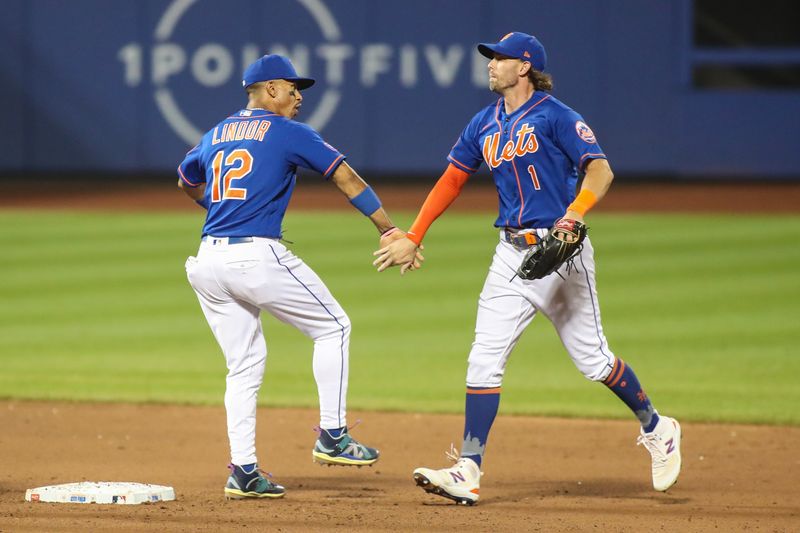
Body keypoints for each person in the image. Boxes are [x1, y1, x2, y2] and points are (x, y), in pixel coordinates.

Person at [374, 32, 681, 505]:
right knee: (483, 358)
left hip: (563, 252)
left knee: (594, 361)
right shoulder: (483, 122)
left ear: (524, 66)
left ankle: (658, 428)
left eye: (497, 58)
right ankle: (468, 469)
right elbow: (452, 179)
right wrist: (414, 234)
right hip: (511, 254)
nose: (489, 65)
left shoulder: (558, 115)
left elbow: (600, 170)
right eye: (489, 58)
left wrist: (573, 214)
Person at [178, 54, 416, 500]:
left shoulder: (214, 133)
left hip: (207, 261)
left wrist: (217, 207)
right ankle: (333, 435)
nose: (298, 96)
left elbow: (186, 180)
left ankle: (244, 472)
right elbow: (345, 177)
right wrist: (388, 228)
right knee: (333, 326)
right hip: (255, 255)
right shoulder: (287, 131)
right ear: (270, 89)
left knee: (243, 365)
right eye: (292, 87)